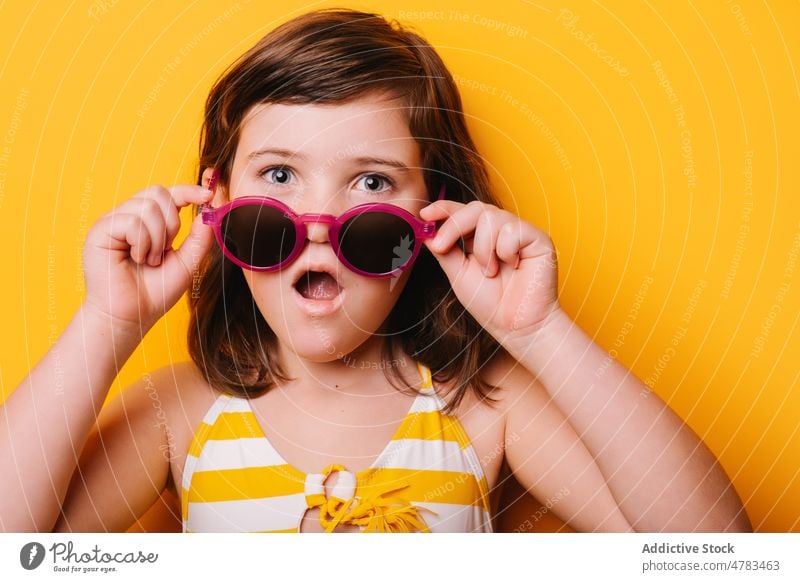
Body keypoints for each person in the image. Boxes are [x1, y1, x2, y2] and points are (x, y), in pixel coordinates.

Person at [0, 7, 751, 533]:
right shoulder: (183, 413)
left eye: (371, 183)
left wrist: (541, 331)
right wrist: (107, 325)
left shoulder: (478, 406)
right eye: (280, 175)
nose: (319, 227)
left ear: (436, 217)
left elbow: (713, 553)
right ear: (215, 202)